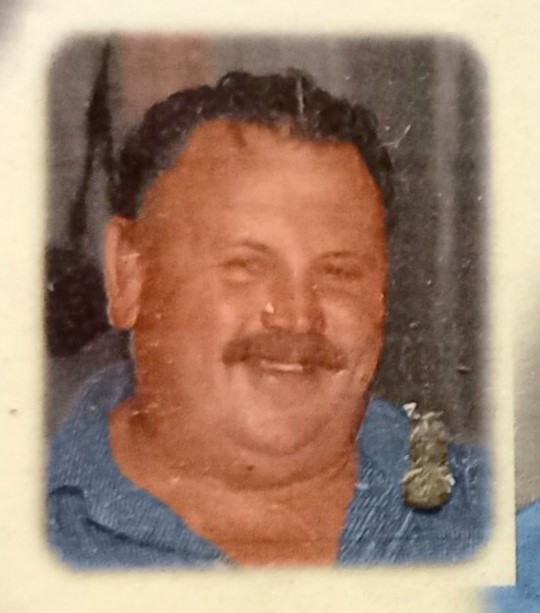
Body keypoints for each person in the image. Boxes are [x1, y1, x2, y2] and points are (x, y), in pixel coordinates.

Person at [47, 70, 488, 567]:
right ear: (128, 274)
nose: (297, 317)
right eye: (246, 266)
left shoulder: (495, 518)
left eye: (339, 272)